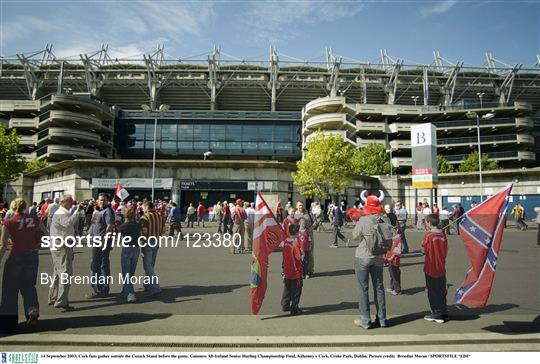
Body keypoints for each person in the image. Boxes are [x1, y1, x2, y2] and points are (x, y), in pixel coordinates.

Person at [0, 198, 47, 332]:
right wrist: (37, 243)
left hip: (16, 255)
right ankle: (32, 312)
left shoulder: (8, 222)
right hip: (32, 256)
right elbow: (46, 234)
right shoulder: (35, 219)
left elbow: (3, 245)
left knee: (10, 290)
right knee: (29, 286)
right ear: (25, 207)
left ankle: (8, 322)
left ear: (13, 208)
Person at [352, 193, 389, 329]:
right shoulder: (385, 220)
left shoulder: (364, 220)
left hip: (363, 256)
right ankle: (382, 319)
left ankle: (366, 320)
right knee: (379, 287)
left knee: (363, 289)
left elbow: (355, 236)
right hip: (379, 257)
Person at [48, 194, 84, 311]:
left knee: (57, 272)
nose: (72, 203)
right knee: (65, 272)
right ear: (63, 202)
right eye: (70, 201)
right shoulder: (62, 212)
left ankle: (53, 297)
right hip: (62, 244)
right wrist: (77, 212)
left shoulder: (61, 211)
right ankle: (61, 301)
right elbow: (68, 223)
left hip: (58, 243)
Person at [87, 193, 115, 299]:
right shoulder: (98, 211)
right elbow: (94, 225)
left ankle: (98, 290)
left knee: (97, 265)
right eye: (99, 200)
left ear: (107, 200)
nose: (101, 202)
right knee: (101, 264)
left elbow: (110, 225)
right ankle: (102, 289)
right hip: (96, 240)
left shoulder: (108, 211)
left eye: (103, 200)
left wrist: (104, 238)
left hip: (101, 241)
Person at [422, 214, 449, 324]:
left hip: (431, 266)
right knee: (441, 290)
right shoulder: (442, 235)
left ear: (428, 223)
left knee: (432, 290)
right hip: (441, 265)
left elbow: (424, 250)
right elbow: (446, 249)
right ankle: (443, 311)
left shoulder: (428, 235)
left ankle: (436, 313)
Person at [139, 201, 164, 296]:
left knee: (147, 265)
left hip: (147, 241)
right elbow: (163, 230)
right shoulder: (159, 216)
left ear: (146, 207)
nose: (142, 209)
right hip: (156, 241)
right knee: (151, 264)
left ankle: (155, 287)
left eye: (142, 207)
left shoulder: (144, 217)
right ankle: (147, 284)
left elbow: (144, 232)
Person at [117, 208, 141, 303]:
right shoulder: (137, 225)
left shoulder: (123, 226)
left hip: (127, 248)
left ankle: (130, 294)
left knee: (126, 273)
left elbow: (119, 231)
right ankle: (125, 290)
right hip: (136, 248)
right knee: (131, 272)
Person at [281, 219, 303, 316]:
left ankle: (285, 305)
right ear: (297, 233)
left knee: (287, 289)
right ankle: (294, 307)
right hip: (295, 271)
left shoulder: (286, 242)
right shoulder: (295, 244)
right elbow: (299, 257)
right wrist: (302, 253)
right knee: (296, 291)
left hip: (287, 270)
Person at [294, 201, 317, 277]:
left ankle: (310, 270)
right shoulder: (294, 215)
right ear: (296, 206)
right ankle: (301, 271)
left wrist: (310, 229)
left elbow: (315, 222)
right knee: (299, 255)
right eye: (299, 205)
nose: (301, 207)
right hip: (298, 239)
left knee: (310, 255)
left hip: (309, 237)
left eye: (302, 205)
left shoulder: (309, 214)